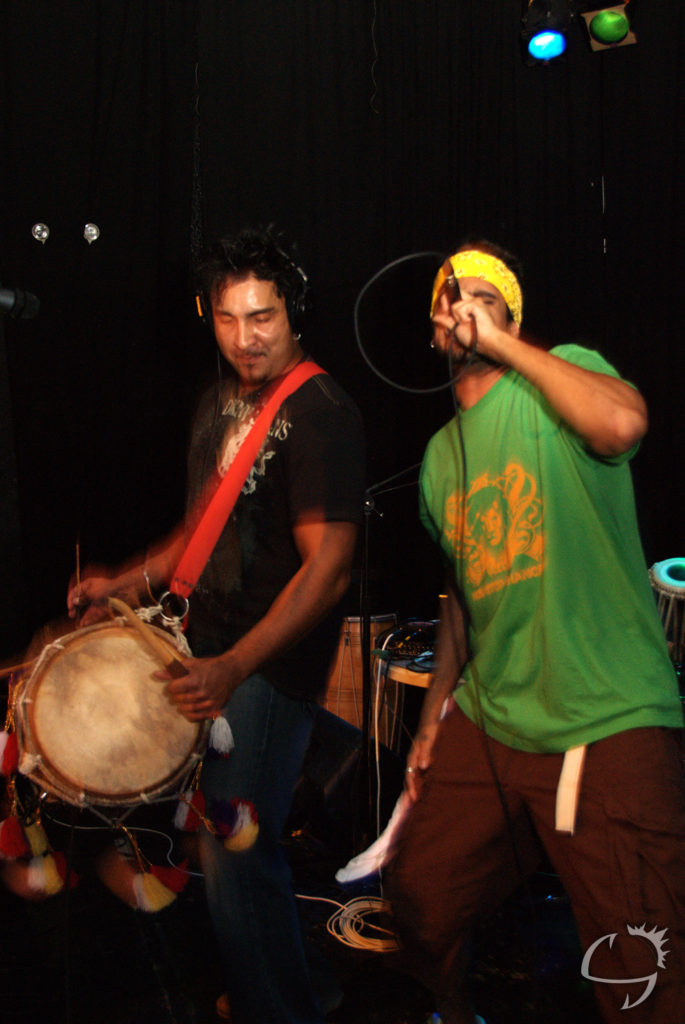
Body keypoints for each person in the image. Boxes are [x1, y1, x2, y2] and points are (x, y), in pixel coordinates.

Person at [67, 227, 365, 1023]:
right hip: (209, 651)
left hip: (265, 668)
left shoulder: (321, 414)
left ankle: (279, 1009)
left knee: (235, 851)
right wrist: (120, 583)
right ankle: (303, 987)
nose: (245, 337)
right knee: (226, 844)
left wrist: (233, 666)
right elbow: (197, 533)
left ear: (293, 313)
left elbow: (329, 570)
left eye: (262, 317)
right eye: (229, 319)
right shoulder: (221, 399)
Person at [385, 240, 685, 1024]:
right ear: (433, 331)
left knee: (644, 974)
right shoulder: (437, 459)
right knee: (417, 896)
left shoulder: (562, 377)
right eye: (451, 299)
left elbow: (622, 422)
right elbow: (462, 594)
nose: (463, 309)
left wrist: (503, 345)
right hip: (495, 717)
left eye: (484, 299)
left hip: (605, 715)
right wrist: (433, 712)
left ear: (512, 322)